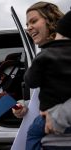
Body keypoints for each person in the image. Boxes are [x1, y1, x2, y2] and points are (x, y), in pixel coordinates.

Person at [24, 10, 71, 150]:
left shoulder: (46, 54)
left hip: (53, 122)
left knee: (33, 133)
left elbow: (31, 81)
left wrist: (59, 115)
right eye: (27, 24)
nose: (28, 28)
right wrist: (24, 106)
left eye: (33, 21)